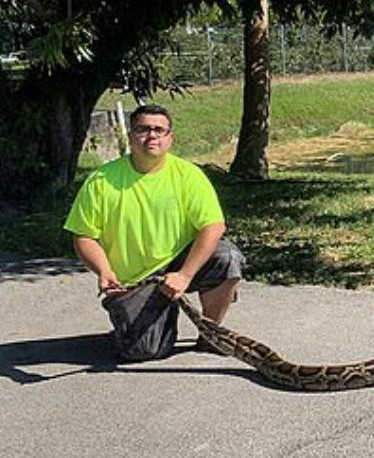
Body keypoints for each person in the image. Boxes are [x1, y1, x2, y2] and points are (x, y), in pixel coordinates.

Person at [64, 104, 244, 358]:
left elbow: (213, 226)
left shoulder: (188, 175)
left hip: (180, 264)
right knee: (144, 351)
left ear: (170, 137)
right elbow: (83, 236)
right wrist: (104, 271)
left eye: (159, 130)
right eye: (143, 129)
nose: (152, 136)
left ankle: (211, 334)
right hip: (136, 280)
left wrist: (184, 275)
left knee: (227, 258)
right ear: (130, 135)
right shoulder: (101, 180)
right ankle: (134, 321)